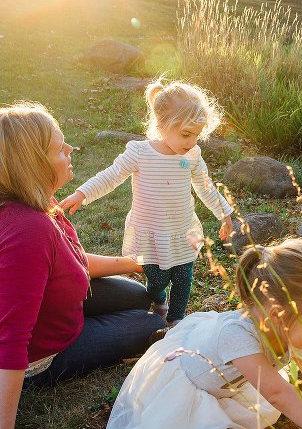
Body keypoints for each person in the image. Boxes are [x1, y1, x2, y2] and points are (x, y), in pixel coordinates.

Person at [0, 102, 165, 429]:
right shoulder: (26, 234)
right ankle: (77, 337)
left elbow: (71, 262)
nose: (70, 153)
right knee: (151, 323)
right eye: (60, 149)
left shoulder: (39, 207)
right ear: (33, 165)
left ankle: (92, 313)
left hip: (50, 303)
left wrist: (132, 261)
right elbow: (11, 341)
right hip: (30, 356)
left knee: (139, 294)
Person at [104, 238, 302, 429]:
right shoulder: (237, 337)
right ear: (278, 314)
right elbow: (279, 394)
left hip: (228, 379)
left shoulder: (287, 326)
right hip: (189, 384)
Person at [59, 78, 234, 327]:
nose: (192, 142)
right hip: (151, 233)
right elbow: (112, 174)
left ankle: (175, 321)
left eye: (197, 135)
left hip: (182, 230)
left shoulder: (192, 156)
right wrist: (83, 193)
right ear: (162, 125)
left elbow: (205, 187)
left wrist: (224, 214)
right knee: (156, 280)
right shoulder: (140, 152)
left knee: (184, 278)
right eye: (186, 134)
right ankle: (158, 301)